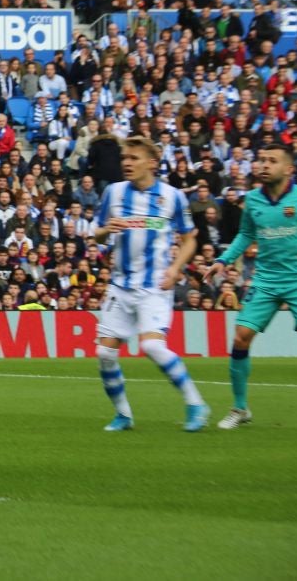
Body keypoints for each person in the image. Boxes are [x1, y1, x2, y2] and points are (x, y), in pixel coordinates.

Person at [93, 136, 209, 433]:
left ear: (151, 163)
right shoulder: (113, 192)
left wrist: (175, 268)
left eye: (133, 158)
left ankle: (196, 404)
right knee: (105, 353)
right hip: (120, 285)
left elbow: (190, 239)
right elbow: (96, 235)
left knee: (152, 346)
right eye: (125, 159)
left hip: (154, 286)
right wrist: (107, 230)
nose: (127, 163)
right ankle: (123, 415)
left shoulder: (172, 197)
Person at [206, 143, 297, 430]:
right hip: (265, 280)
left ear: (288, 169)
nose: (263, 165)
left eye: (271, 160)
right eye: (261, 159)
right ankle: (240, 408)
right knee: (240, 338)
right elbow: (246, 235)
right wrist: (223, 260)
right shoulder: (253, 201)